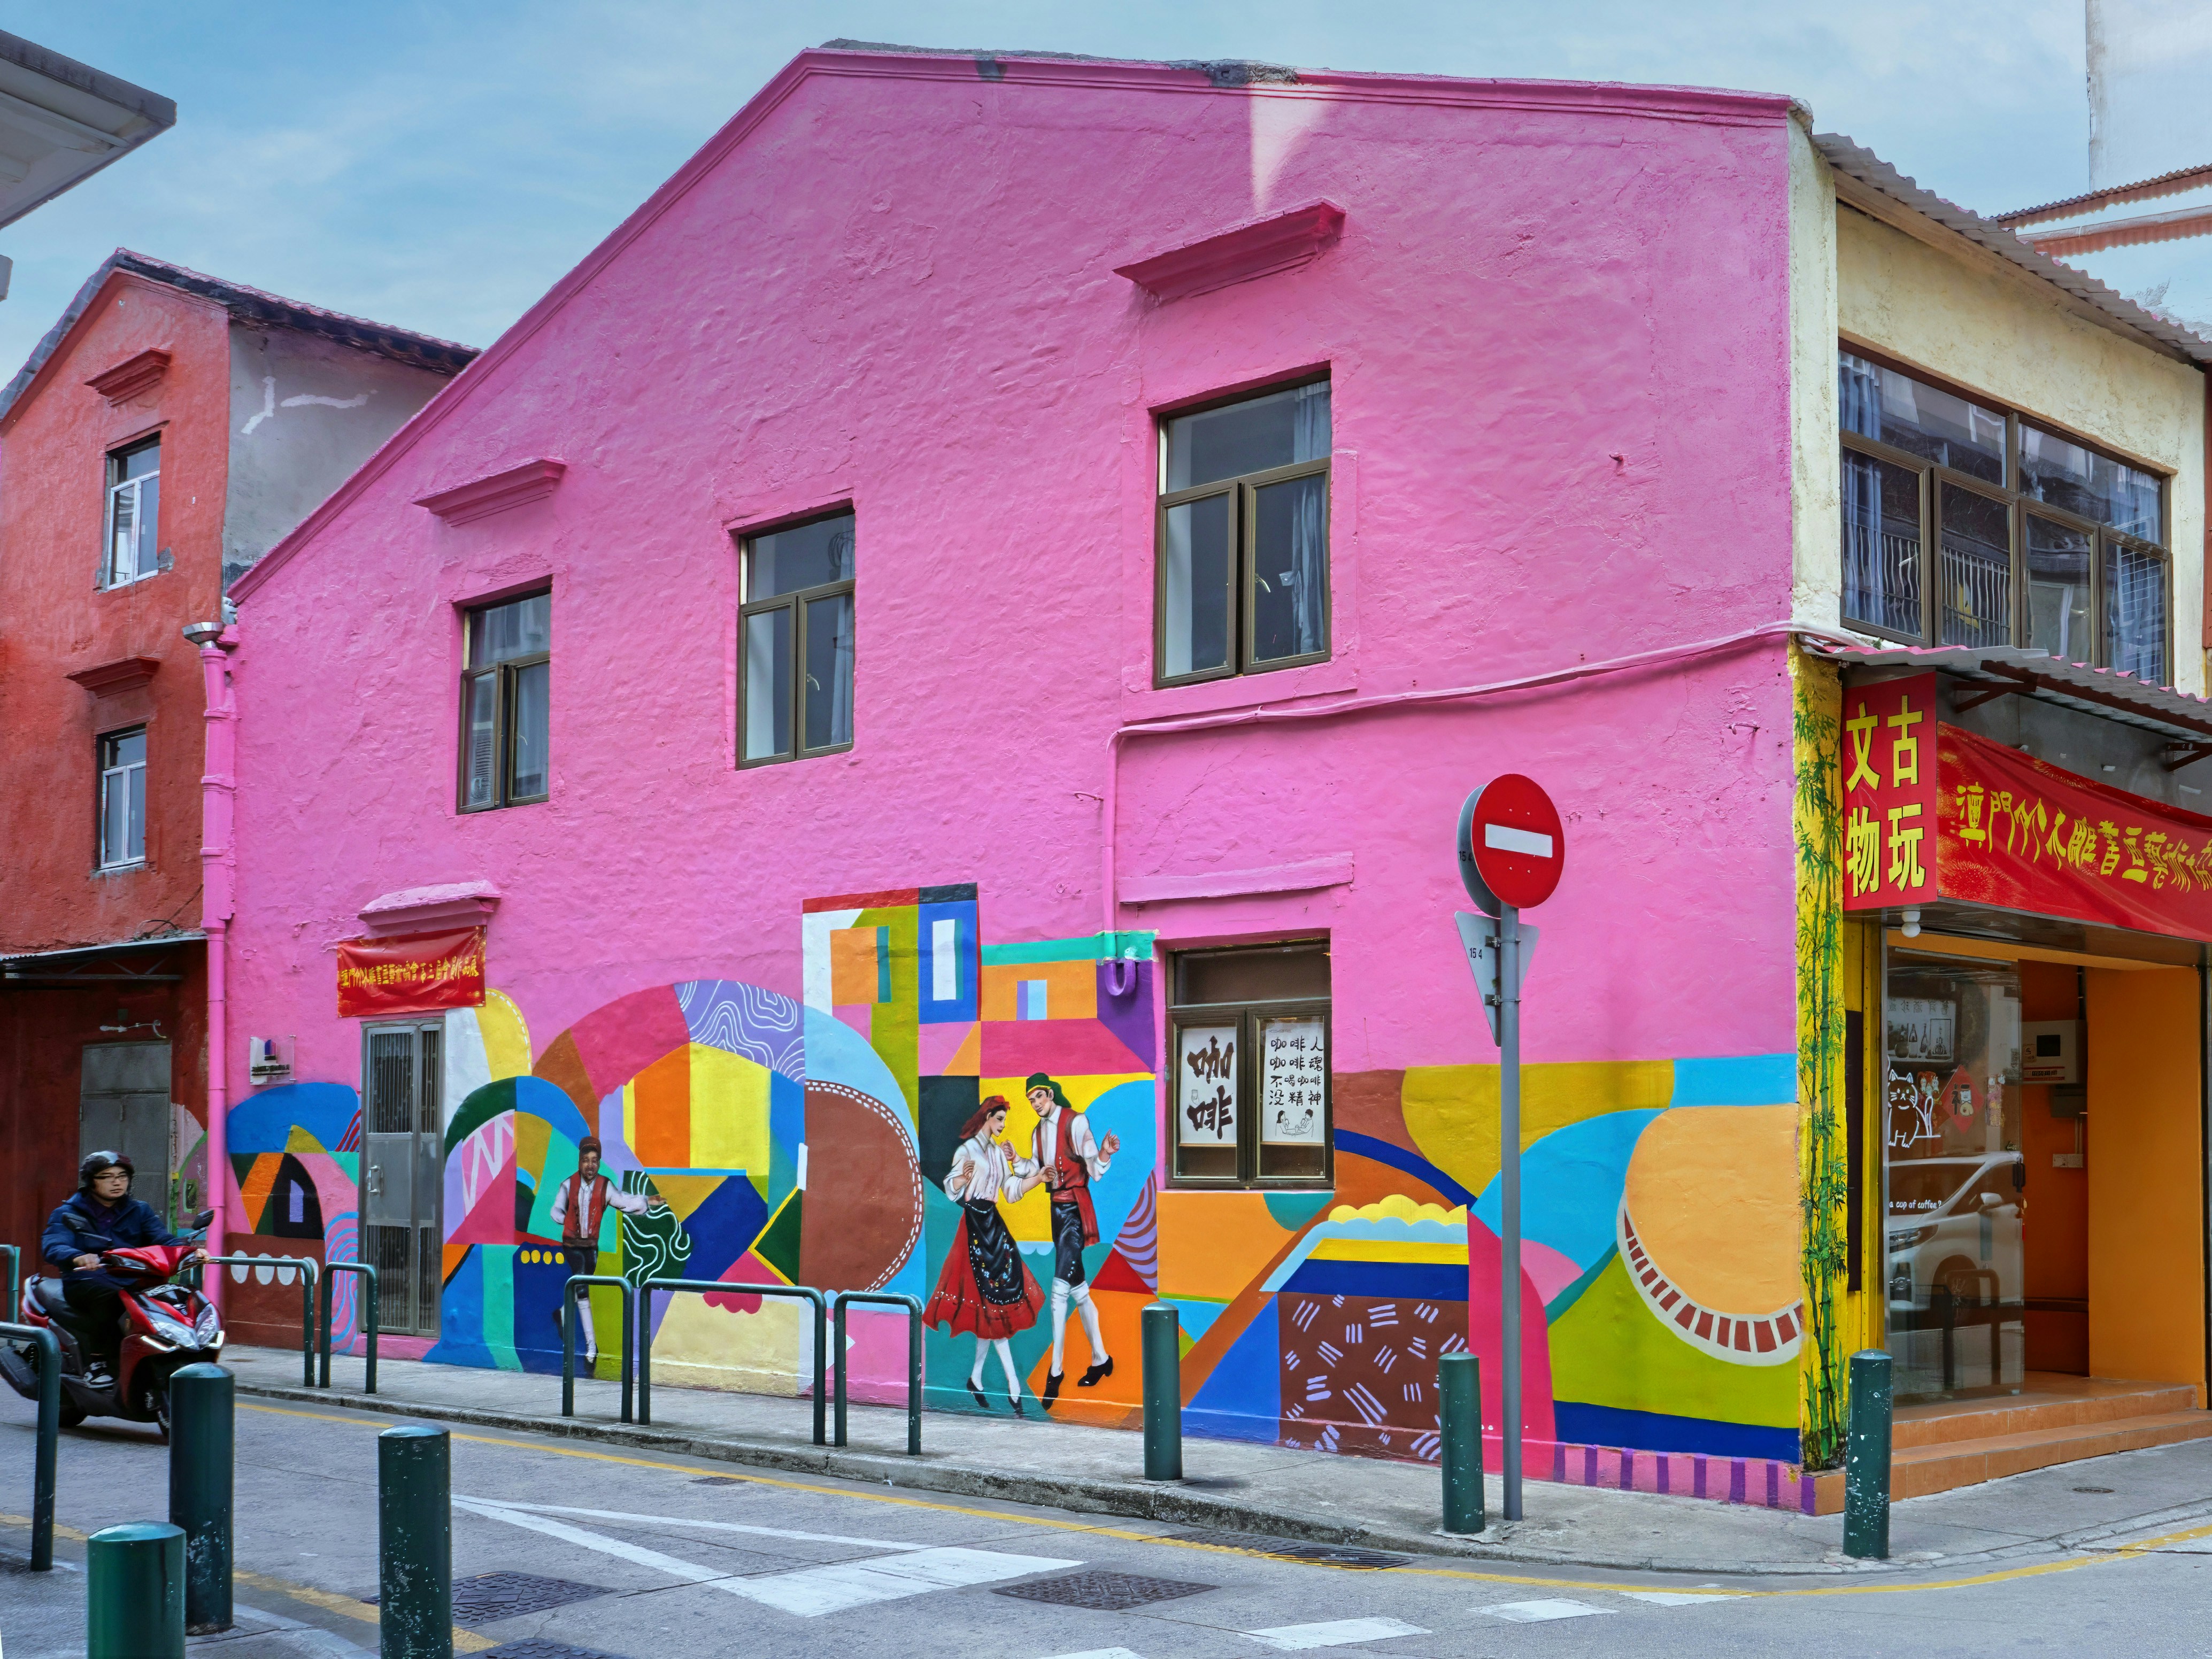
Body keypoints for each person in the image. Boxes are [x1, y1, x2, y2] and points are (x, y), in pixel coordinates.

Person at [40, 1151, 204, 1388]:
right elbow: (54, 1244)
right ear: (91, 1181)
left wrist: (192, 1252)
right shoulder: (68, 1213)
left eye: (122, 1177)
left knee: (173, 1298)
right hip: (87, 1281)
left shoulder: (140, 1210)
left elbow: (162, 1239)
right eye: (107, 1177)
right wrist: (78, 1257)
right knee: (113, 1300)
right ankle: (97, 1362)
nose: (117, 1182)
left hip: (133, 1278)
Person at [922, 1096, 1044, 1413]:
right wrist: (962, 1178)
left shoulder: (997, 1153)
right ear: (988, 1117)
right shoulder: (967, 1151)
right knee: (991, 1305)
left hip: (995, 1226)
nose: (1003, 1126)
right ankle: (1014, 1386)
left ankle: (976, 1378)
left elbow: (1011, 1191)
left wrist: (1038, 1179)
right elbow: (952, 1188)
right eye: (1000, 1119)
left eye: (1004, 1121)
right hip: (974, 1228)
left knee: (992, 1305)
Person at [1012, 1074, 1119, 1407]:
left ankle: (1055, 1372)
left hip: (1075, 1211)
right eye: (1031, 1100)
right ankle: (1101, 1359)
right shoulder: (1038, 1132)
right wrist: (1017, 1161)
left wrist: (1103, 1152)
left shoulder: (1075, 1122)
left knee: (1059, 1292)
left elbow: (1095, 1169)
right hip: (1056, 1212)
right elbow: (1035, 1168)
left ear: (1051, 1094)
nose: (1036, 1104)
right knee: (1079, 1291)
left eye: (1039, 1097)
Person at [546, 1136, 665, 1363]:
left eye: (595, 1160)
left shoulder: (605, 1186)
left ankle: (562, 1313)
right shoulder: (567, 1185)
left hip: (592, 1247)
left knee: (581, 1283)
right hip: (571, 1246)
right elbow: (555, 1211)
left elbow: (624, 1201)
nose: (590, 1165)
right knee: (582, 1289)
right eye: (586, 1160)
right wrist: (566, 1220)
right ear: (579, 1162)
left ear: (599, 1162)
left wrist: (647, 1201)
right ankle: (592, 1346)